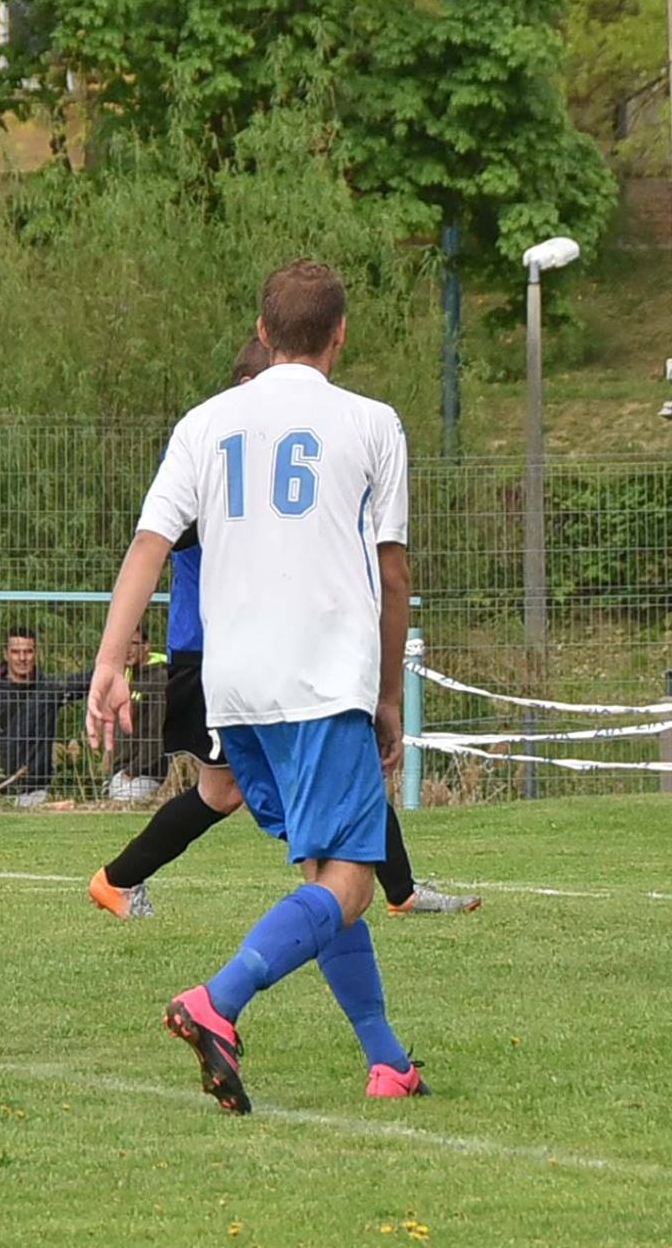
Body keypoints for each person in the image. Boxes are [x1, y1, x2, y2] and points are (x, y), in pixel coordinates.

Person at [88, 259, 427, 1112]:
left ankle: (387, 1061)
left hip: (233, 688)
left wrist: (109, 662)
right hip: (323, 680)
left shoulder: (205, 423)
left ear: (264, 332)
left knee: (325, 873)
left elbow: (148, 545)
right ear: (341, 334)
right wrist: (388, 695)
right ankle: (218, 1001)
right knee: (351, 882)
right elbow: (392, 573)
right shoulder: (373, 423)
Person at [88, 337, 477, 921]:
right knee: (251, 791)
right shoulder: (218, 451)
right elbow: (158, 539)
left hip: (256, 652)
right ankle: (122, 881)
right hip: (213, 653)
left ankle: (393, 890)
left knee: (303, 782)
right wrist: (112, 657)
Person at [0, 627, 91, 805]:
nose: (22, 658)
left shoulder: (49, 689)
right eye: (16, 652)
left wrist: (114, 661)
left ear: (36, 653)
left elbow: (84, 682)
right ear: (6, 654)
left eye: (28, 651)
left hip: (35, 790)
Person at [105, 624, 167, 804]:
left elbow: (156, 735)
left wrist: (131, 772)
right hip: (122, 770)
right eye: (123, 644)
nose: (127, 650)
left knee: (122, 801)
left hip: (148, 772)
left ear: (146, 646)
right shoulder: (124, 676)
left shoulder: (159, 679)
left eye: (133, 643)